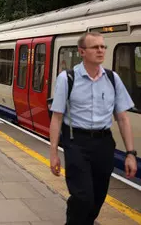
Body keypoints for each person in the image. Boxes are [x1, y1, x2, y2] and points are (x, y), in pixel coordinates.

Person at [49, 32, 137, 225]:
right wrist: (54, 152)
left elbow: (123, 118)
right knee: (82, 197)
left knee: (97, 198)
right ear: (82, 52)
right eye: (95, 47)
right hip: (76, 142)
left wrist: (130, 153)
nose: (100, 50)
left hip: (104, 143)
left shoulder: (113, 79)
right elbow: (57, 118)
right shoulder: (67, 78)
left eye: (102, 47)